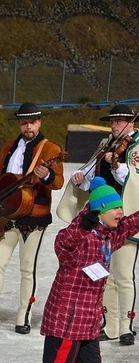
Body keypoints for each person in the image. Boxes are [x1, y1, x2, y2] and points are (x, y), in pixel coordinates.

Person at [3, 177, 139, 363]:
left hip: (87, 321)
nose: (119, 212)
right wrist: (84, 222)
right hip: (67, 317)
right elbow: (63, 244)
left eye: (119, 208)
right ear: (98, 212)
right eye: (113, 209)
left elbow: (132, 222)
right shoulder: (81, 233)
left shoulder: (111, 233)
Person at [0, 102, 64, 334]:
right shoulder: (9, 146)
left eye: (33, 122)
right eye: (24, 122)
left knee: (28, 268)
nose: (28, 126)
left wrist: (47, 175)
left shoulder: (50, 149)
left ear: (39, 122)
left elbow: (58, 182)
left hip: (33, 216)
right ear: (19, 123)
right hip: (6, 215)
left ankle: (23, 315)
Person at [63, 104, 139, 346]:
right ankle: (112, 325)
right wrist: (81, 179)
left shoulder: (135, 147)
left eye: (119, 121)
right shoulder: (106, 144)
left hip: (124, 215)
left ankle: (127, 326)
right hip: (101, 220)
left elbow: (132, 180)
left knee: (124, 274)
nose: (115, 125)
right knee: (104, 274)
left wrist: (116, 165)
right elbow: (91, 175)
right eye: (113, 121)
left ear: (131, 123)